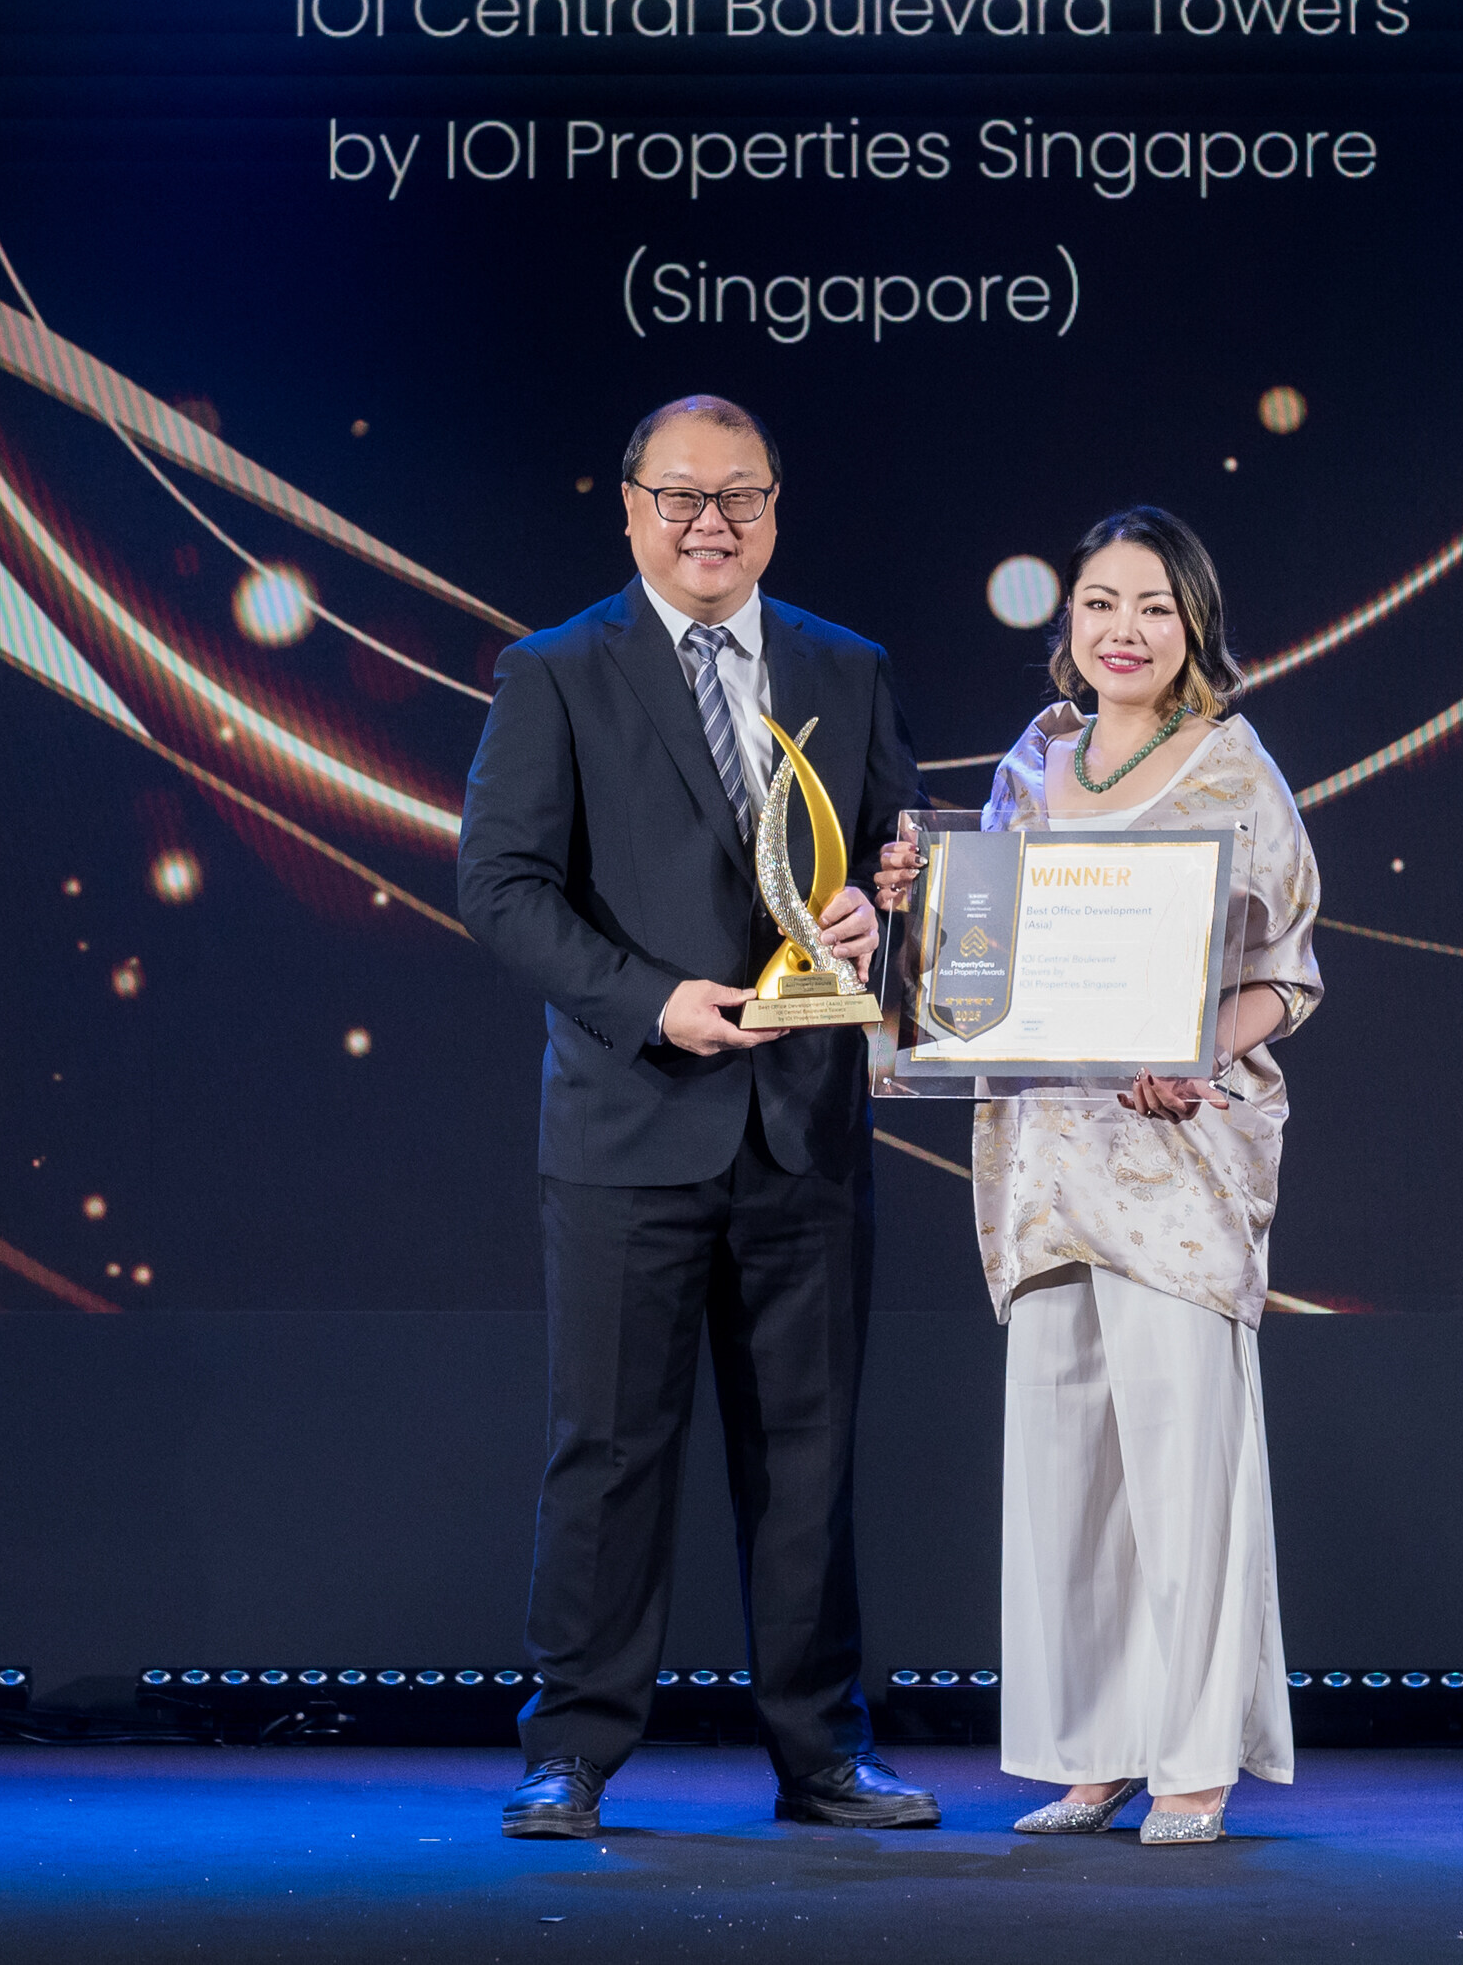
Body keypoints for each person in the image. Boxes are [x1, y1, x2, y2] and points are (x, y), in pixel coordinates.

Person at [456, 393, 933, 1839]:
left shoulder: (850, 667)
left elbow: (899, 861)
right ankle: (571, 1750)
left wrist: (881, 912)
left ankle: (823, 1753)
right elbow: (501, 888)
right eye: (680, 497)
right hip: (631, 1122)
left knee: (808, 1455)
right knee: (607, 1450)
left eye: (739, 496)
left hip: (806, 1130)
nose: (709, 523)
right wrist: (652, 1000)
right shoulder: (555, 670)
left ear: (776, 508)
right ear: (630, 509)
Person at [875, 506, 1321, 1845]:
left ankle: (1193, 1760)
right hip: (1045, 1156)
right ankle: (1099, 1750)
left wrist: (1197, 1050)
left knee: (1182, 1463)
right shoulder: (1034, 761)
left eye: (1153, 607)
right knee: (1068, 1463)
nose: (1124, 629)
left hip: (1175, 1166)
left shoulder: (1234, 764)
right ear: (1068, 621)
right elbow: (980, 965)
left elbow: (1289, 974)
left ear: (1194, 627)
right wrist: (916, 904)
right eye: (1100, 603)